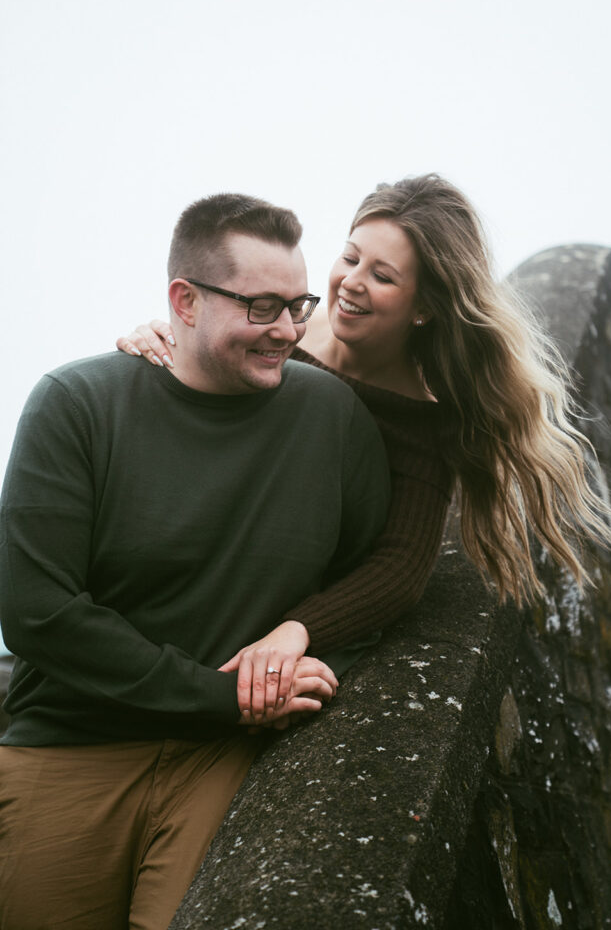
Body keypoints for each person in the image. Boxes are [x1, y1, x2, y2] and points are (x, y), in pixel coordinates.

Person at [0, 192, 392, 930]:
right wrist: (223, 696)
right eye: (262, 307)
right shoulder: (74, 403)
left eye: (297, 305)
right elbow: (37, 612)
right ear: (184, 300)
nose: (287, 331)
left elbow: (370, 575)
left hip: (223, 760)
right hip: (68, 750)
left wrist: (296, 652)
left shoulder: (330, 418)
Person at [119, 174, 611, 682]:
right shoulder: (281, 332)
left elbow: (400, 566)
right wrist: (164, 339)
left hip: (270, 597)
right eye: (351, 257)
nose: (352, 281)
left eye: (383, 276)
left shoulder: (423, 415)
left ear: (423, 307)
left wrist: (299, 629)